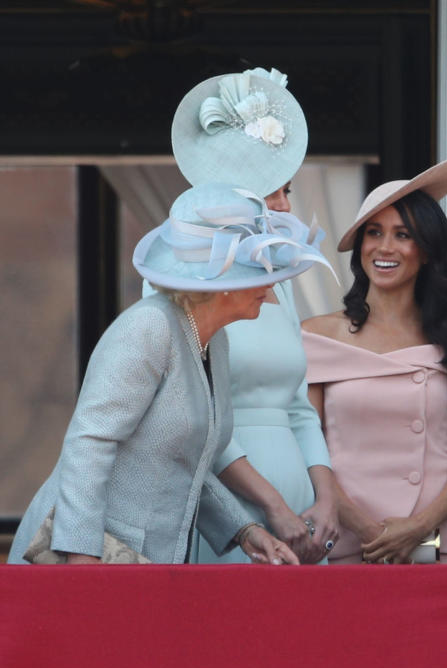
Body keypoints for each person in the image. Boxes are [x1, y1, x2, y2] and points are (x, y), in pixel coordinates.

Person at [8, 183, 310, 565]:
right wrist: (81, 560)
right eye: (259, 268)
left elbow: (185, 461)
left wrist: (244, 530)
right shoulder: (149, 327)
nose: (272, 281)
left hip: (141, 566)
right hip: (86, 557)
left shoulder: (214, 341)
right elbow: (90, 442)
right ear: (220, 284)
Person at [169, 67, 339, 564]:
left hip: (301, 516)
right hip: (231, 513)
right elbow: (196, 415)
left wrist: (326, 499)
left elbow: (298, 407)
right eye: (275, 192)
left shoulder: (275, 285)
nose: (286, 205)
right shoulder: (184, 276)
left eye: (289, 190)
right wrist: (271, 506)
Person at [301, 156, 447, 564]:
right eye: (374, 233)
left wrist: (417, 528)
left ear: (426, 251)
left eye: (403, 235)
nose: (385, 247)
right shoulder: (316, 336)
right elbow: (306, 449)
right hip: (344, 539)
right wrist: (370, 532)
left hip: (435, 542)